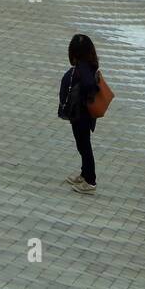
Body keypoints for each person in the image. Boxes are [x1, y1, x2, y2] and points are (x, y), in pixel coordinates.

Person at [64, 34, 101, 195]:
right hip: (82, 113)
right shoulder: (89, 64)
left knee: (84, 145)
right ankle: (84, 174)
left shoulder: (83, 68)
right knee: (82, 143)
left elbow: (88, 85)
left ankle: (90, 181)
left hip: (81, 114)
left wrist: (85, 98)